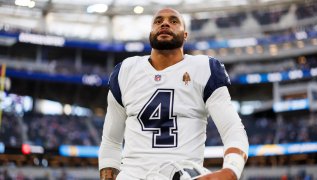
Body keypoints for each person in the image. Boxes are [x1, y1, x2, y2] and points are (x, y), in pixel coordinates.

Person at [99, 7, 249, 180]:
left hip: (181, 174)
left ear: (185, 35)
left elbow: (232, 129)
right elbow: (111, 140)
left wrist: (231, 170)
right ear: (150, 33)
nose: (164, 23)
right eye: (158, 21)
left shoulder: (204, 68)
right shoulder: (126, 71)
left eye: (174, 21)